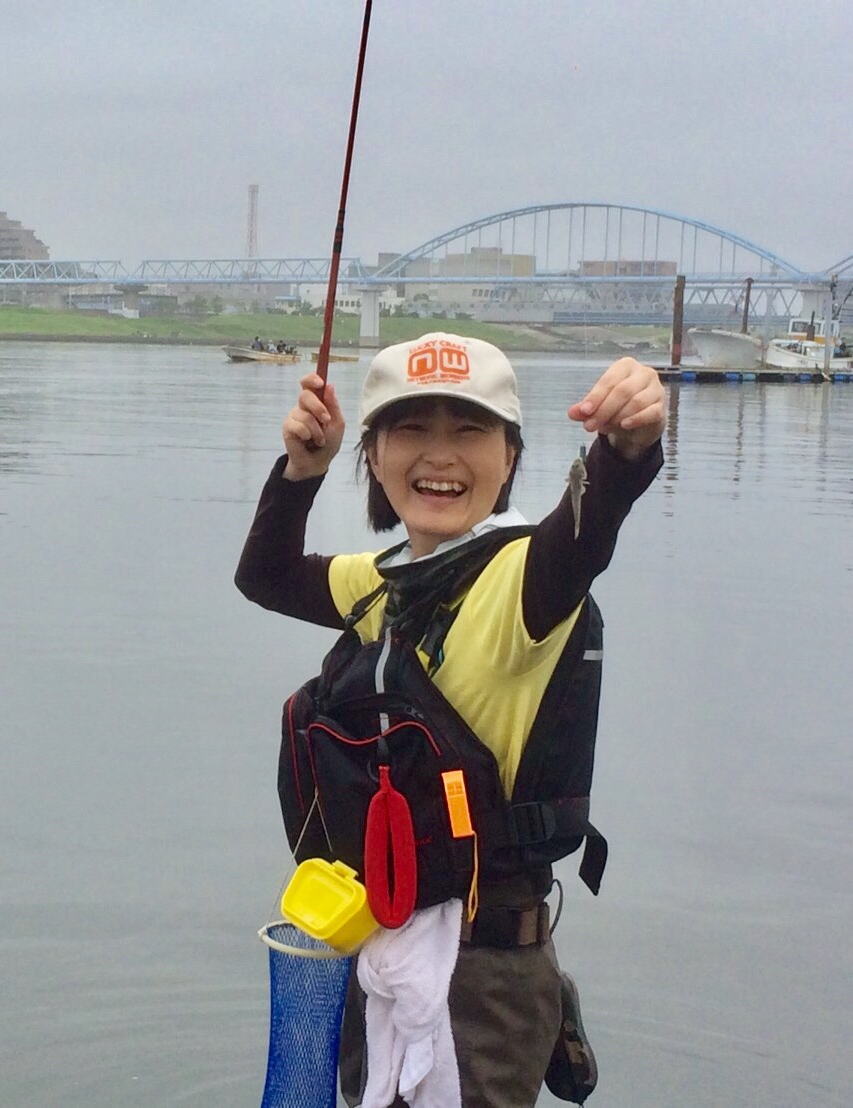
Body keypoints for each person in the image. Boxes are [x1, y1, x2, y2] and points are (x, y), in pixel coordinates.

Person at [235, 333, 665, 1106]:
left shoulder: (527, 580)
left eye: (469, 430)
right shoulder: (385, 581)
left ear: (510, 456)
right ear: (374, 454)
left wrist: (628, 448)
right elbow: (263, 576)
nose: (440, 456)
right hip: (377, 952)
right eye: (410, 430)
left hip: (484, 990)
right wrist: (303, 470)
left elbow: (590, 528)